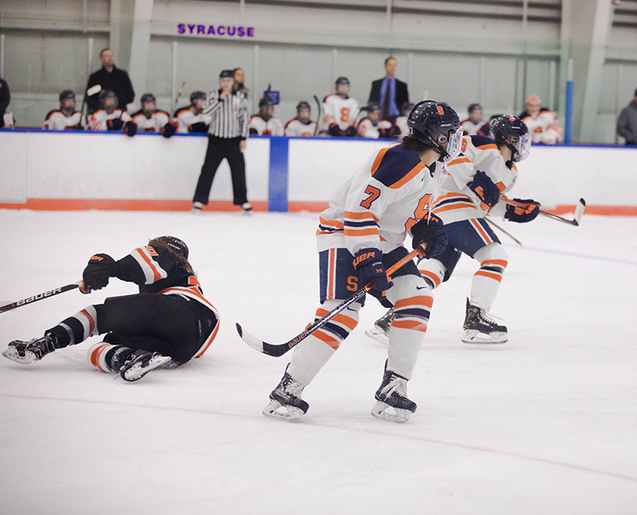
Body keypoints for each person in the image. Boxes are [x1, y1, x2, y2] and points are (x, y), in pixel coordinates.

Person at [262, 100, 461, 423]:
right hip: (344, 233)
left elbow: (406, 210)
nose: (457, 139)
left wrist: (423, 226)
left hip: (383, 239)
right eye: (452, 133)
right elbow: (360, 209)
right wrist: (368, 256)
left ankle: (394, 385)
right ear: (438, 136)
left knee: (417, 295)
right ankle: (289, 387)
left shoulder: (434, 167)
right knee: (343, 312)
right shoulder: (401, 160)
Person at [367, 115, 540, 346]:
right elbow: (455, 154)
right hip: (455, 208)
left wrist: (512, 210)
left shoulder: (511, 173)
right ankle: (476, 316)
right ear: (508, 138)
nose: (521, 145)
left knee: (434, 269)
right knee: (495, 255)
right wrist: (473, 181)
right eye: (518, 139)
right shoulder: (486, 146)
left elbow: (486, 200)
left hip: (443, 216)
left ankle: (396, 315)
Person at [2, 236, 220, 383]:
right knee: (99, 349)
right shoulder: (186, 285)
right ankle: (131, 358)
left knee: (100, 314)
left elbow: (147, 264)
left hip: (179, 309)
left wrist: (112, 267)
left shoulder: (170, 259)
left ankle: (47, 342)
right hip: (186, 346)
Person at [192, 70, 251, 213]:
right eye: (223, 81)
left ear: (233, 82)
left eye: (229, 81)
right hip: (216, 140)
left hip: (234, 140)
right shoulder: (213, 95)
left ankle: (242, 201)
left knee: (239, 172)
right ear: (220, 82)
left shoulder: (240, 97)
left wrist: (243, 138)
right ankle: (199, 200)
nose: (226, 84)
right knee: (207, 171)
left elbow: (243, 118)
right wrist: (220, 98)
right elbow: (207, 113)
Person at [85, 48, 135, 114]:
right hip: (101, 113)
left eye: (111, 55)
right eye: (107, 56)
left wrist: (117, 102)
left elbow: (130, 94)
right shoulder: (95, 77)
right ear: (101, 59)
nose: (110, 58)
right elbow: (89, 97)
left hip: (119, 112)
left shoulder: (122, 75)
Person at [368, 56, 410, 122]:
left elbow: (406, 105)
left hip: (396, 118)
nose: (392, 68)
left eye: (394, 65)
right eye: (390, 65)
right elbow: (371, 102)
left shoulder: (402, 86)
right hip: (379, 118)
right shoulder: (377, 84)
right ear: (385, 66)